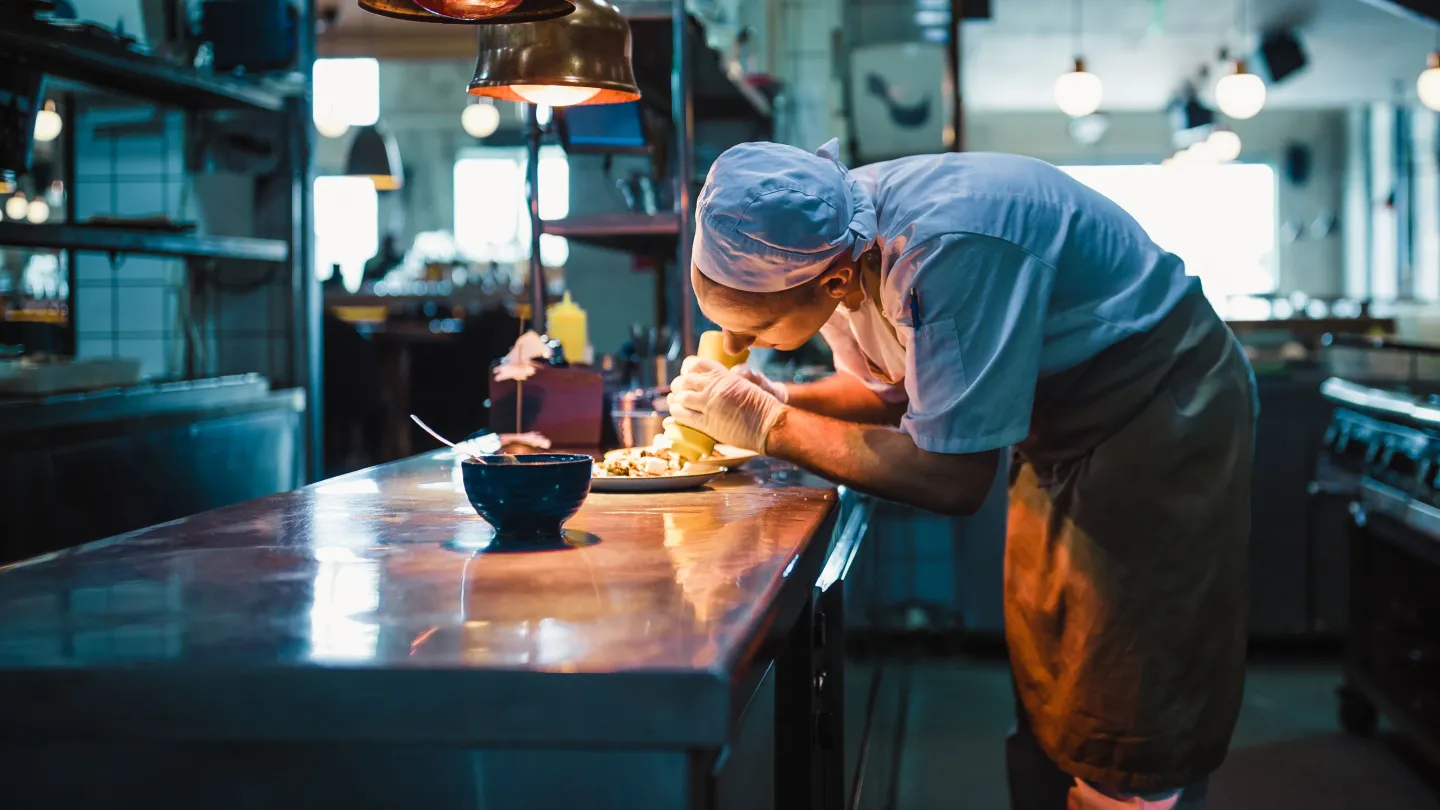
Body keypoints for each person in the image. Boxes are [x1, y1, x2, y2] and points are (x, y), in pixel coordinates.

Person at [667, 139, 1257, 810]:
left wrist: (768, 425)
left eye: (757, 330)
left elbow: (952, 478)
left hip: (1154, 408)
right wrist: (776, 400)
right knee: (1056, 656)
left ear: (831, 282)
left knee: (1132, 667)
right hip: (1059, 425)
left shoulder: (949, 248)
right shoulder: (831, 239)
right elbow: (894, 396)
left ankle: (1133, 792)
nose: (741, 347)